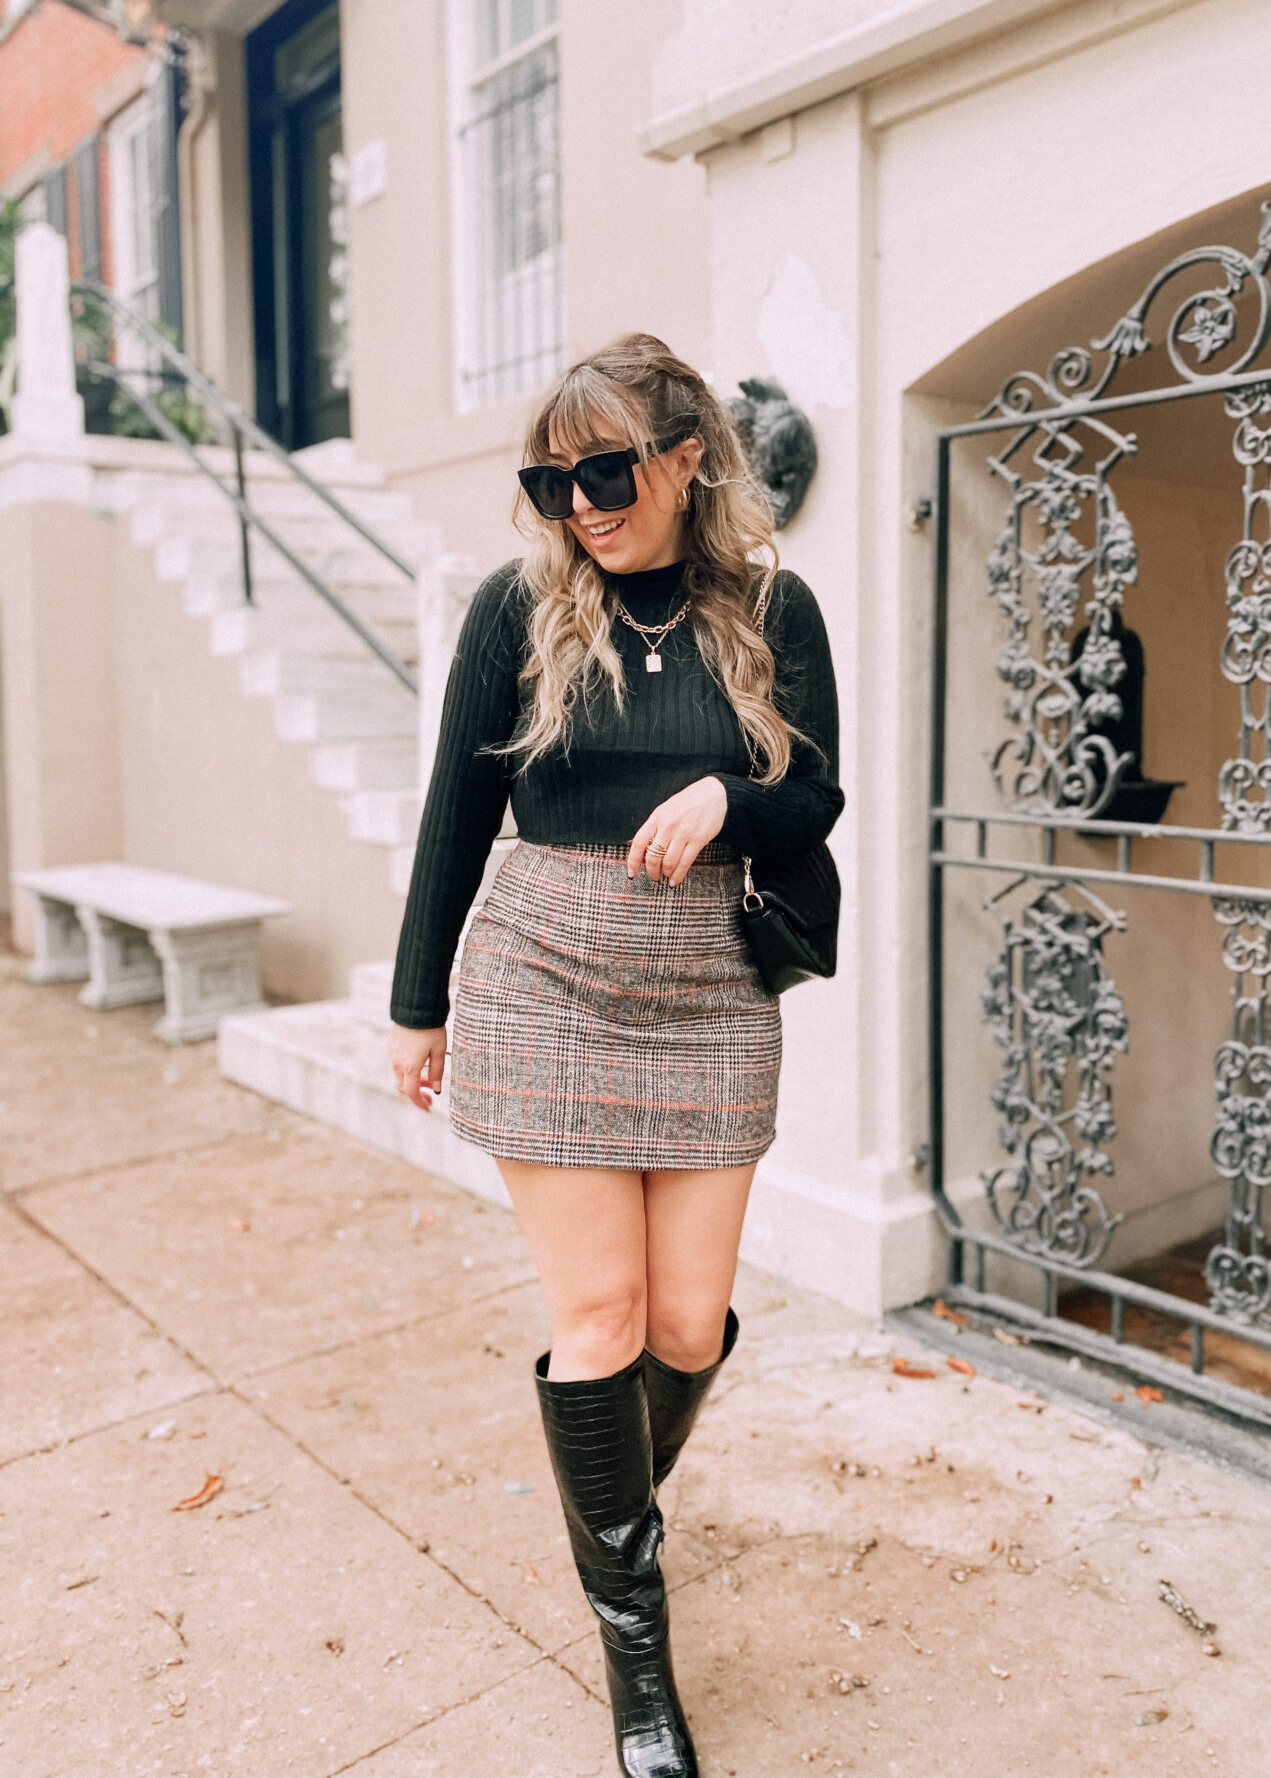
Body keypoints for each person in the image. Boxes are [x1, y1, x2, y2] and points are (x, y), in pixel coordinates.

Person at [387, 333, 843, 1778]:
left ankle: (606, 1508)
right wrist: (419, 1003)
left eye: (605, 469)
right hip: (541, 973)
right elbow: (455, 813)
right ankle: (637, 1660)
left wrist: (729, 790)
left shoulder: (776, 609)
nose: (580, 502)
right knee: (601, 1319)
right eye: (552, 478)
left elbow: (816, 796)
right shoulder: (515, 614)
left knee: (688, 1325)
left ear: (685, 454)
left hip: (709, 987)